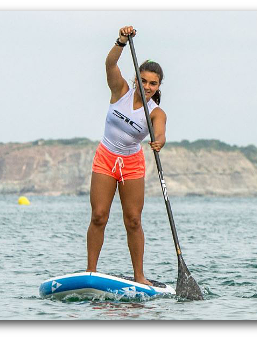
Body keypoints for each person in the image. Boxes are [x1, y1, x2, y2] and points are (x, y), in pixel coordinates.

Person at [86, 26, 167, 286]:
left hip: (132, 164)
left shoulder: (156, 112)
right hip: (106, 156)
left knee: (133, 220)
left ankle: (139, 276)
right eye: (143, 81)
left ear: (158, 86)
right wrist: (121, 42)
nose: (147, 86)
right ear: (136, 80)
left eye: (153, 83)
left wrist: (158, 142)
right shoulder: (119, 91)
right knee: (99, 215)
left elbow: (160, 133)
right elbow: (109, 63)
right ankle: (91, 272)